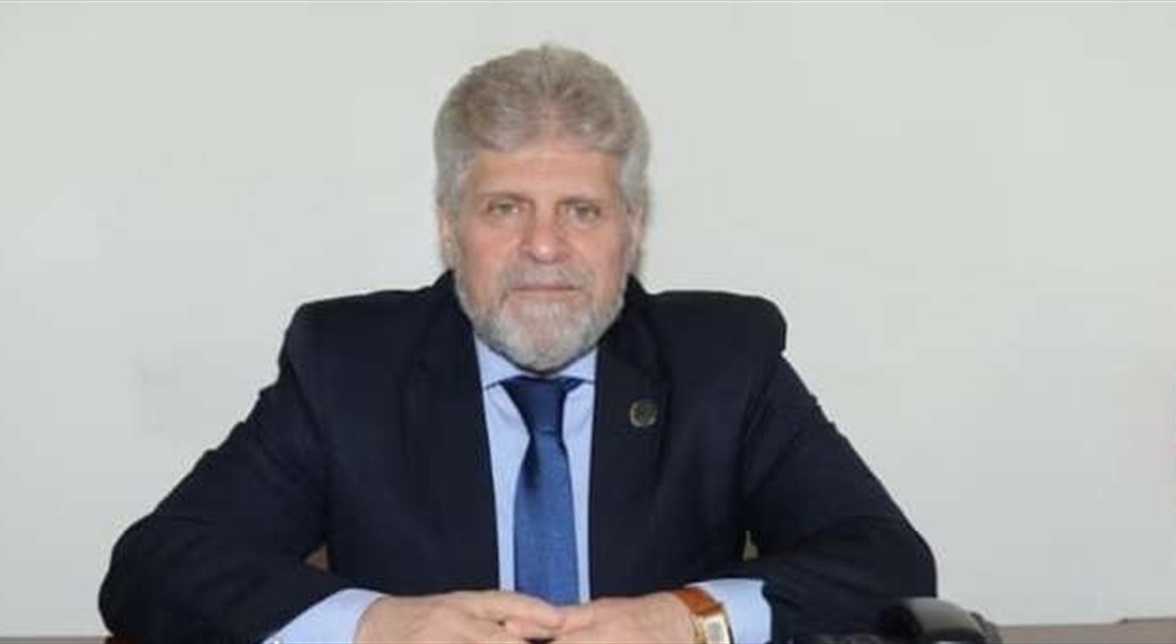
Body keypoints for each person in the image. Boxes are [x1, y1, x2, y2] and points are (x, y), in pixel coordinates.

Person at [99, 44, 935, 644]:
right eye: (505, 208)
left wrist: (685, 621)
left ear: (632, 228)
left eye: (581, 211)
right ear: (449, 227)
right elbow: (155, 568)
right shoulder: (346, 365)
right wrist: (377, 626)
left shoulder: (723, 360)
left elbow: (887, 562)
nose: (543, 247)